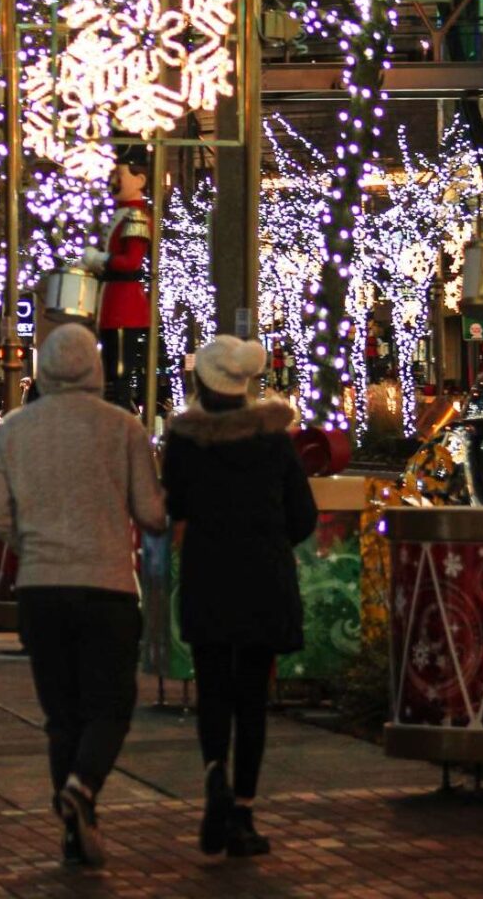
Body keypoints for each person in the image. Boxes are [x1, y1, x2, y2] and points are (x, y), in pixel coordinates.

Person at [0, 323, 166, 868]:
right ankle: (84, 787)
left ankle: (72, 831)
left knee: (60, 714)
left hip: (41, 587)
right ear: (96, 367)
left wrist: (35, 543)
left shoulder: (12, 431)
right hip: (106, 585)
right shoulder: (123, 428)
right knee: (110, 705)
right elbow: (151, 514)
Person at [161, 336, 317, 858]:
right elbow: (303, 516)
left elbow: (175, 505)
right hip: (263, 578)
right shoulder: (274, 440)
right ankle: (244, 812)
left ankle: (213, 775)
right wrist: (271, 543)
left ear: (203, 383)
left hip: (209, 576)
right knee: (252, 698)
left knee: (213, 688)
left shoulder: (185, 441)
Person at [81, 143, 152, 412]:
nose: (113, 180)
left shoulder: (136, 216)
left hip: (124, 304)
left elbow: (131, 261)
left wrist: (99, 260)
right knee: (111, 370)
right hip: (112, 301)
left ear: (140, 179)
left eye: (119, 174)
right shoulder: (122, 214)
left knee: (118, 371)